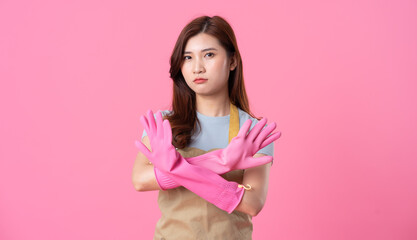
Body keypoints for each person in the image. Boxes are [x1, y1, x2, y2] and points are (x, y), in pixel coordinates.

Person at [132, 15, 282, 240]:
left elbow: (252, 203)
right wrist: (220, 162)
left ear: (232, 61)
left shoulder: (252, 132)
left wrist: (174, 169)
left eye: (209, 55)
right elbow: (140, 180)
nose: (197, 68)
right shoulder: (164, 124)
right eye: (187, 57)